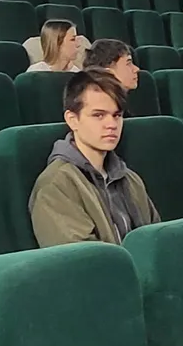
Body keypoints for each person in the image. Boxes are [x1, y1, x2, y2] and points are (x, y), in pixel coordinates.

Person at [29, 71, 159, 246]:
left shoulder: (130, 179)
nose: (111, 124)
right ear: (72, 120)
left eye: (117, 115)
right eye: (98, 115)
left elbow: (155, 243)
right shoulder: (56, 185)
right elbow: (83, 258)